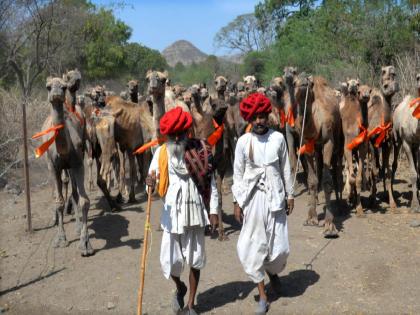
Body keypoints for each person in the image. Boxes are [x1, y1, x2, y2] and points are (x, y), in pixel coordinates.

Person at [146, 107, 219, 315]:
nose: (177, 138)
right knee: (169, 262)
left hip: (195, 211)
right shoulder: (160, 153)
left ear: (188, 132)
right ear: (166, 135)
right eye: (172, 135)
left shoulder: (201, 149)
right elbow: (151, 184)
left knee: (195, 258)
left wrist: (213, 210)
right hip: (171, 214)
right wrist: (150, 182)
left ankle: (190, 305)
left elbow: (211, 183)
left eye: (181, 134)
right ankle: (180, 287)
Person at [231, 93, 294, 314]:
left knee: (280, 249)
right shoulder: (243, 142)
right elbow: (237, 174)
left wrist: (290, 194)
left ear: (268, 116)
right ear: (250, 118)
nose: (259, 121)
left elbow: (286, 168)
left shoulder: (277, 139)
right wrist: (237, 202)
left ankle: (273, 272)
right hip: (253, 199)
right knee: (253, 246)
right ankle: (263, 295)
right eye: (255, 117)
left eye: (262, 116)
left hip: (276, 198)